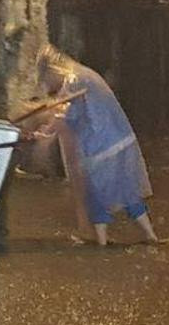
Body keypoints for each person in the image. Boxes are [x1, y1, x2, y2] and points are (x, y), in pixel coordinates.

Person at [28, 44, 158, 246]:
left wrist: (45, 133)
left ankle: (101, 241)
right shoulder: (85, 75)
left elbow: (68, 114)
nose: (48, 84)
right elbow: (65, 111)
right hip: (119, 139)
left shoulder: (73, 80)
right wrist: (49, 128)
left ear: (52, 71)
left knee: (95, 191)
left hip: (101, 145)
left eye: (47, 79)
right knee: (126, 189)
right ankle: (150, 235)